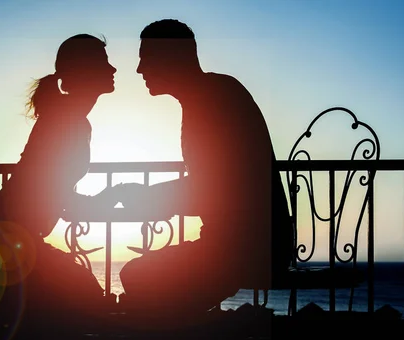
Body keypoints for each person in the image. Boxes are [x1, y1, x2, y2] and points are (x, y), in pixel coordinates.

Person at [118, 19, 293, 320]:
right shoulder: (213, 94)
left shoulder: (214, 99)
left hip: (244, 251)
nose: (139, 69)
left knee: (137, 278)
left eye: (146, 58)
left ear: (171, 59)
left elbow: (216, 188)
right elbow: (212, 184)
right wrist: (145, 196)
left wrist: (146, 198)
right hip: (245, 245)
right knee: (139, 282)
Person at [0, 34, 120, 327]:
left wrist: (101, 204)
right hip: (2, 238)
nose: (113, 69)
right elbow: (46, 190)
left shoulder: (66, 116)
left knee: (81, 303)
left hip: (0, 235)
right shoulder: (68, 120)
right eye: (104, 62)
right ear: (84, 73)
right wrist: (108, 204)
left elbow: (47, 189)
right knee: (88, 304)